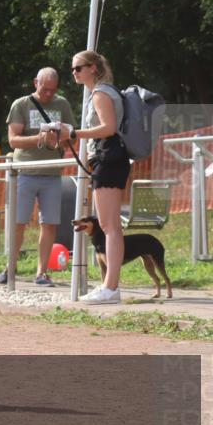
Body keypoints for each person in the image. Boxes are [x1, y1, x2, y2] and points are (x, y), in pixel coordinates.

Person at [0, 67, 76, 286]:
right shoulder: (21, 104)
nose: (49, 94)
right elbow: (13, 140)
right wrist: (38, 138)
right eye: (45, 89)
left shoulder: (63, 105)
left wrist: (59, 140)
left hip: (52, 173)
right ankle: (10, 266)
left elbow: (72, 137)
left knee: (50, 223)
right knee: (18, 222)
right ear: (35, 83)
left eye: (53, 90)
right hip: (25, 171)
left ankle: (41, 272)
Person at [70, 51, 129, 304]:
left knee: (110, 227)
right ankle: (109, 286)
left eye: (78, 68)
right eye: (73, 69)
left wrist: (73, 133)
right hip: (110, 159)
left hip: (108, 158)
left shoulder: (101, 93)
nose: (74, 72)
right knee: (110, 226)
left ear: (93, 68)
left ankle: (111, 288)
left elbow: (108, 128)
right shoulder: (104, 91)